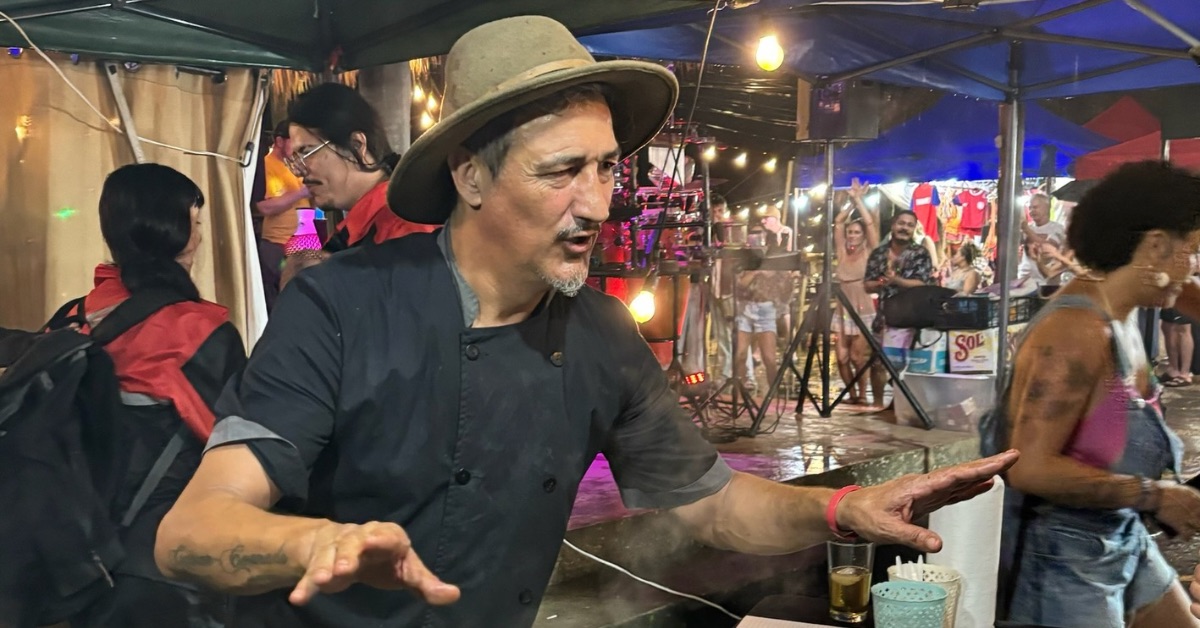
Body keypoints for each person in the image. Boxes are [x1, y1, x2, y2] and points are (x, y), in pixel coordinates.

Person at [156, 16, 1018, 628]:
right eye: (562, 171)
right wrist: (318, 543)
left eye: (606, 169)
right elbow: (191, 533)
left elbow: (711, 504)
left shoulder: (601, 333)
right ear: (470, 174)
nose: (598, 204)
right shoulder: (340, 307)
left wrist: (847, 508)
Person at [1003, 161, 1200, 628]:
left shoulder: (1124, 300)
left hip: (1120, 531)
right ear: (1156, 245)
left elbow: (1189, 290)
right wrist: (1156, 496)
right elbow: (1028, 467)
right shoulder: (1075, 334)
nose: (1195, 266)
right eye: (1193, 250)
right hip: (1062, 560)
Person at [80, 163, 248, 626]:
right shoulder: (197, 332)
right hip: (167, 564)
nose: (199, 236)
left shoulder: (71, 321)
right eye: (195, 222)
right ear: (172, 233)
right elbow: (246, 447)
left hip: (78, 561)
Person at [279, 83, 437, 287]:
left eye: (307, 152)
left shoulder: (403, 229)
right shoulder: (359, 228)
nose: (300, 171)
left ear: (357, 145)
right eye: (295, 158)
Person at [864, 210, 935, 406]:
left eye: (910, 225)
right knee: (877, 363)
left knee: (900, 366)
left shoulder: (920, 253)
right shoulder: (879, 253)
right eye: (901, 223)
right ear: (893, 225)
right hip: (883, 316)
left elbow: (923, 283)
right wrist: (882, 282)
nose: (905, 228)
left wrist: (896, 280)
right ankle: (877, 405)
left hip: (908, 319)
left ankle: (898, 406)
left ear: (914, 229)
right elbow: (867, 285)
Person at [256, 120, 311, 311]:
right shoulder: (266, 165)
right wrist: (301, 193)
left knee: (308, 295)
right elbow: (265, 207)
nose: (298, 146)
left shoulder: (293, 164)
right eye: (294, 140)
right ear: (279, 141)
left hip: (306, 241)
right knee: (287, 298)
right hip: (280, 243)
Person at [834, 178, 880, 406]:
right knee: (841, 357)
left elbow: (870, 224)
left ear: (862, 237)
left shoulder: (869, 252)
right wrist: (851, 202)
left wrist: (860, 201)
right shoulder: (842, 252)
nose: (852, 235)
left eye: (856, 232)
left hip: (863, 307)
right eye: (850, 232)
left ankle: (862, 394)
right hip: (843, 308)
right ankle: (851, 394)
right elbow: (838, 222)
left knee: (857, 356)